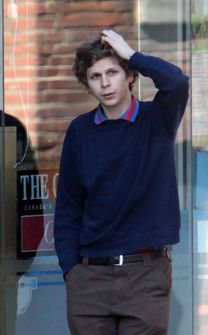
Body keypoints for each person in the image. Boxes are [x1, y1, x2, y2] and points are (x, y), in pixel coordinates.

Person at [54, 29, 189, 335]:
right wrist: (71, 272)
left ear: (130, 75)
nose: (105, 83)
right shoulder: (80, 131)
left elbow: (177, 82)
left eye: (113, 72)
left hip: (145, 274)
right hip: (89, 278)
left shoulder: (158, 119)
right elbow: (69, 208)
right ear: (87, 84)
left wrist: (132, 55)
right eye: (95, 76)